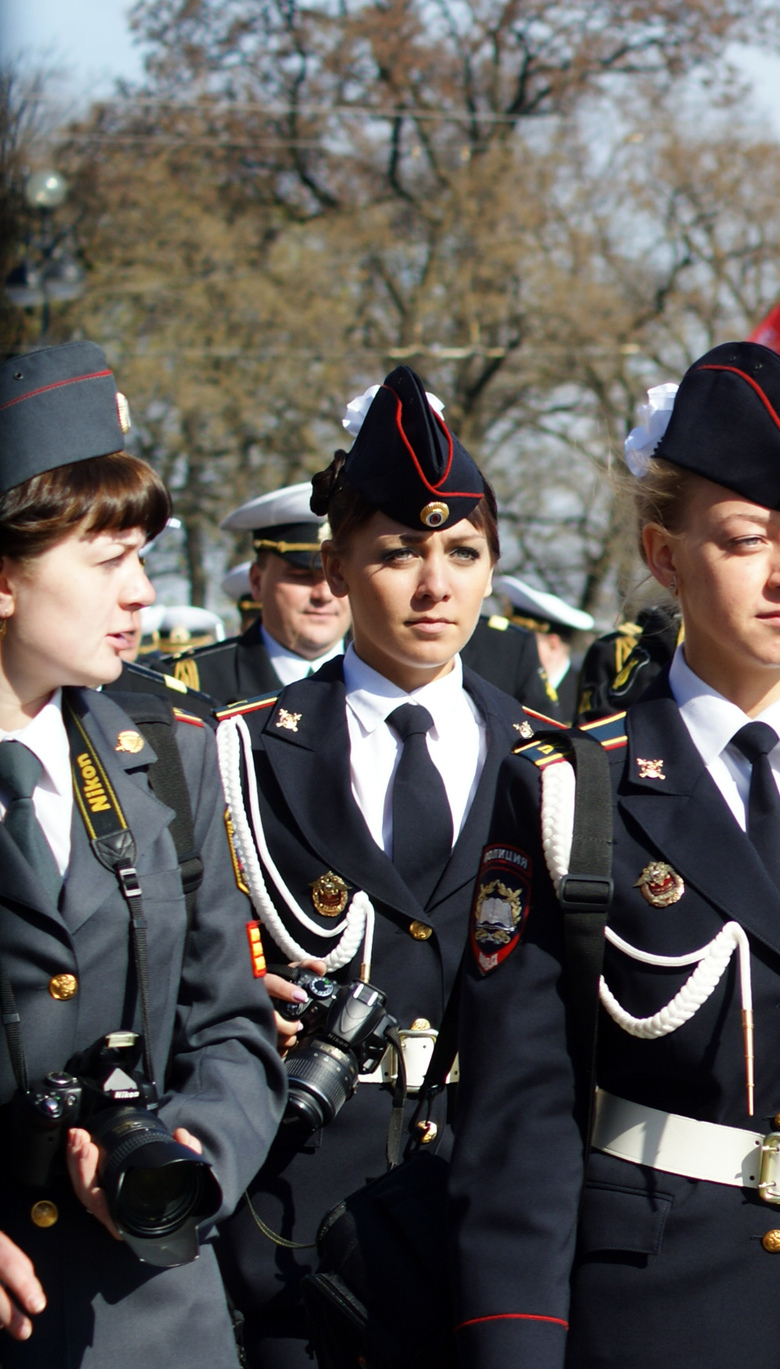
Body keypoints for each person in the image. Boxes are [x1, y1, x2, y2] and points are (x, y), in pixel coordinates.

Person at [447, 342, 780, 1367]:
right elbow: (519, 1123)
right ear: (663, 555)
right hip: (657, 1302)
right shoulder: (571, 788)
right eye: (745, 540)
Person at [210, 365, 554, 1368]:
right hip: (296, 1226)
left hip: (488, 1219)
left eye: (463, 551)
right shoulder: (234, 750)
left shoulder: (555, 756)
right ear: (339, 562)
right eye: (399, 552)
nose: (435, 584)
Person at [0, 340, 283, 1366]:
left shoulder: (166, 751)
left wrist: (192, 1151)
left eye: (143, 559)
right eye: (106, 560)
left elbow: (232, 1029)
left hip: (147, 1314)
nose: (140, 593)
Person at [163, 483, 349, 701]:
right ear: (257, 582)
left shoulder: (388, 676)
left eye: (339, 576)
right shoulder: (191, 685)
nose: (324, 595)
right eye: (302, 576)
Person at [496, 574, 596, 701]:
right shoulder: (502, 684)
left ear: (552, 643)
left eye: (523, 642)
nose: (512, 647)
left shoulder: (582, 697)